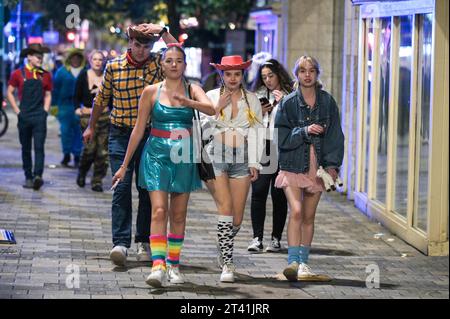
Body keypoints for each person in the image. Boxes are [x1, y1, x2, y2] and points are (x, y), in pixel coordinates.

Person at [112, 43, 215, 287]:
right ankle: (158, 265)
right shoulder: (151, 91)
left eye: (178, 60)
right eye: (168, 60)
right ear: (161, 64)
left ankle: (174, 264)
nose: (173, 65)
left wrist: (189, 103)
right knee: (159, 210)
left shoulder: (193, 88)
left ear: (185, 64)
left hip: (183, 156)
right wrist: (124, 165)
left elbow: (212, 109)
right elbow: (138, 129)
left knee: (179, 214)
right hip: (156, 153)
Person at [83, 23, 177, 266]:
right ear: (129, 44)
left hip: (150, 135)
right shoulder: (114, 67)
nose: (141, 50)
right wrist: (91, 126)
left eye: (146, 46)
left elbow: (177, 51)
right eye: (137, 45)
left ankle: (143, 240)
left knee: (146, 188)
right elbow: (101, 99)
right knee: (121, 186)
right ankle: (121, 243)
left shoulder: (157, 64)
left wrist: (162, 29)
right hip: (120, 134)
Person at [274, 55, 344, 281]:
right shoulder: (288, 103)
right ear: (296, 74)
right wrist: (304, 131)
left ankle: (303, 263)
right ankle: (292, 262)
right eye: (303, 70)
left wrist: (333, 167)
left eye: (312, 70)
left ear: (317, 74)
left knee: (308, 215)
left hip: (318, 167)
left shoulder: (327, 102)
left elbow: (335, 137)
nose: (307, 74)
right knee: (295, 211)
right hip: (293, 163)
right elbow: (281, 138)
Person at [203, 55, 264, 283]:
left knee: (236, 218)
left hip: (242, 158)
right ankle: (228, 263)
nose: (232, 78)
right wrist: (216, 109)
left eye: (237, 74)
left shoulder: (252, 100)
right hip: (216, 156)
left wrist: (255, 163)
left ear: (242, 75)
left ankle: (223, 244)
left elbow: (258, 131)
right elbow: (201, 127)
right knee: (226, 208)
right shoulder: (211, 97)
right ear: (222, 75)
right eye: (228, 74)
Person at [247, 59, 293, 253]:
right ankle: (257, 238)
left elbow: (295, 120)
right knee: (258, 192)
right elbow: (247, 122)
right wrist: (259, 112)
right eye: (264, 77)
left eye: (271, 76)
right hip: (263, 145)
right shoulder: (256, 95)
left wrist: (283, 103)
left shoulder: (290, 95)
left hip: (282, 146)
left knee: (279, 194)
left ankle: (276, 238)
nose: (267, 80)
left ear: (279, 74)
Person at [6, 43, 53, 190]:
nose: (40, 59)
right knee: (25, 148)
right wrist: (17, 111)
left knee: (39, 147)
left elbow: (48, 94)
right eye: (38, 56)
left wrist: (45, 111)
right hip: (24, 116)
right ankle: (28, 177)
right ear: (29, 57)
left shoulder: (45, 75)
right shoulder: (18, 74)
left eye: (41, 56)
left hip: (39, 116)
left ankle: (38, 176)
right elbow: (9, 92)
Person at [74, 50, 109, 192]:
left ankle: (97, 180)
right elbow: (76, 96)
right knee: (89, 149)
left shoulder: (107, 76)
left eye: (100, 59)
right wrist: (77, 109)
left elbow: (113, 96)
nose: (98, 62)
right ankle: (82, 172)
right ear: (90, 60)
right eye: (95, 59)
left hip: (105, 117)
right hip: (87, 117)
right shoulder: (83, 75)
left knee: (102, 152)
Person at [53, 48, 86, 168]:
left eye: (78, 57)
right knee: (65, 131)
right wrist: (54, 106)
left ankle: (77, 155)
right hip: (64, 106)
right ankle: (66, 154)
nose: (76, 59)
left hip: (80, 106)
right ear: (70, 58)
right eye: (74, 57)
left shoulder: (85, 71)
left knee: (79, 131)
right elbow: (55, 89)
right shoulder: (61, 72)